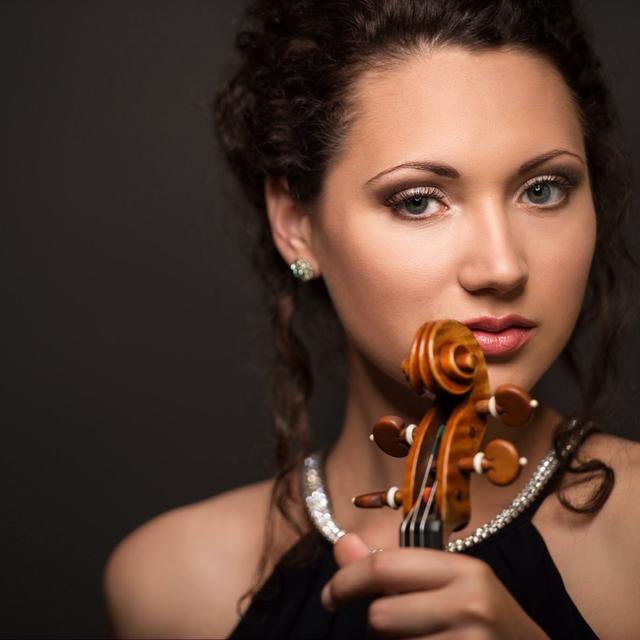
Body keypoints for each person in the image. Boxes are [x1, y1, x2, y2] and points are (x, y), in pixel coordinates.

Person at [103, 0, 640, 637]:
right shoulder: (173, 583)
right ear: (296, 225)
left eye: (543, 189)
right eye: (418, 201)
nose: (502, 266)